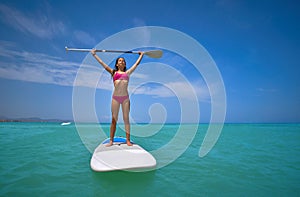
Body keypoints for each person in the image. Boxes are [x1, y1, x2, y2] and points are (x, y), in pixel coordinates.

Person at [91, 49, 144, 146]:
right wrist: (94, 55)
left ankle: (128, 140)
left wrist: (141, 55)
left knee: (126, 119)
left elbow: (136, 64)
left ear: (124, 64)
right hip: (115, 98)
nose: (122, 62)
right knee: (114, 120)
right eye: (120, 60)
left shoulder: (127, 73)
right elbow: (102, 63)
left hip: (125, 99)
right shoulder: (113, 73)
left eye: (123, 61)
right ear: (116, 64)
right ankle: (111, 140)